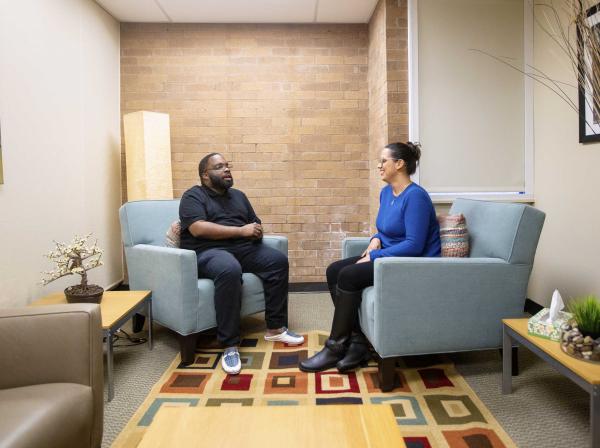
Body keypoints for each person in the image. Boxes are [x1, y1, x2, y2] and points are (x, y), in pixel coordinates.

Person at [299, 142, 441, 373]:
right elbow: (387, 229)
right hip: (390, 258)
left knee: (349, 275)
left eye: (383, 161)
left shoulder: (416, 197)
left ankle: (335, 347)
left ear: (400, 164)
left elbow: (414, 245)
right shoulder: (386, 193)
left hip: (412, 265)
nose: (379, 165)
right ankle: (357, 343)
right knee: (334, 270)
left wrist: (375, 255)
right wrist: (376, 238)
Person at [179, 152, 304, 375]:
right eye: (220, 167)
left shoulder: (238, 196)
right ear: (205, 175)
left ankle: (275, 327)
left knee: (277, 261)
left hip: (242, 247)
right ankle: (229, 344)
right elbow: (197, 228)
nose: (227, 170)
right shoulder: (193, 196)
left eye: (228, 166)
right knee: (229, 269)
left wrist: (255, 230)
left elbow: (254, 222)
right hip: (209, 250)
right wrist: (240, 230)